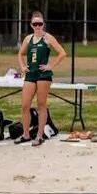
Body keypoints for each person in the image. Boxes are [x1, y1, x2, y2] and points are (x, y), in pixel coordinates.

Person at [16, 11, 67, 147]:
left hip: (43, 75)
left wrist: (51, 66)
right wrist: (22, 66)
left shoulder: (48, 38)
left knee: (41, 104)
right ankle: (26, 134)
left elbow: (62, 53)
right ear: (31, 25)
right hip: (30, 74)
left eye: (40, 24)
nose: (38, 26)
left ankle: (39, 135)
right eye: (35, 24)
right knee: (25, 105)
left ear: (43, 24)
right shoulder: (28, 39)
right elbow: (20, 54)